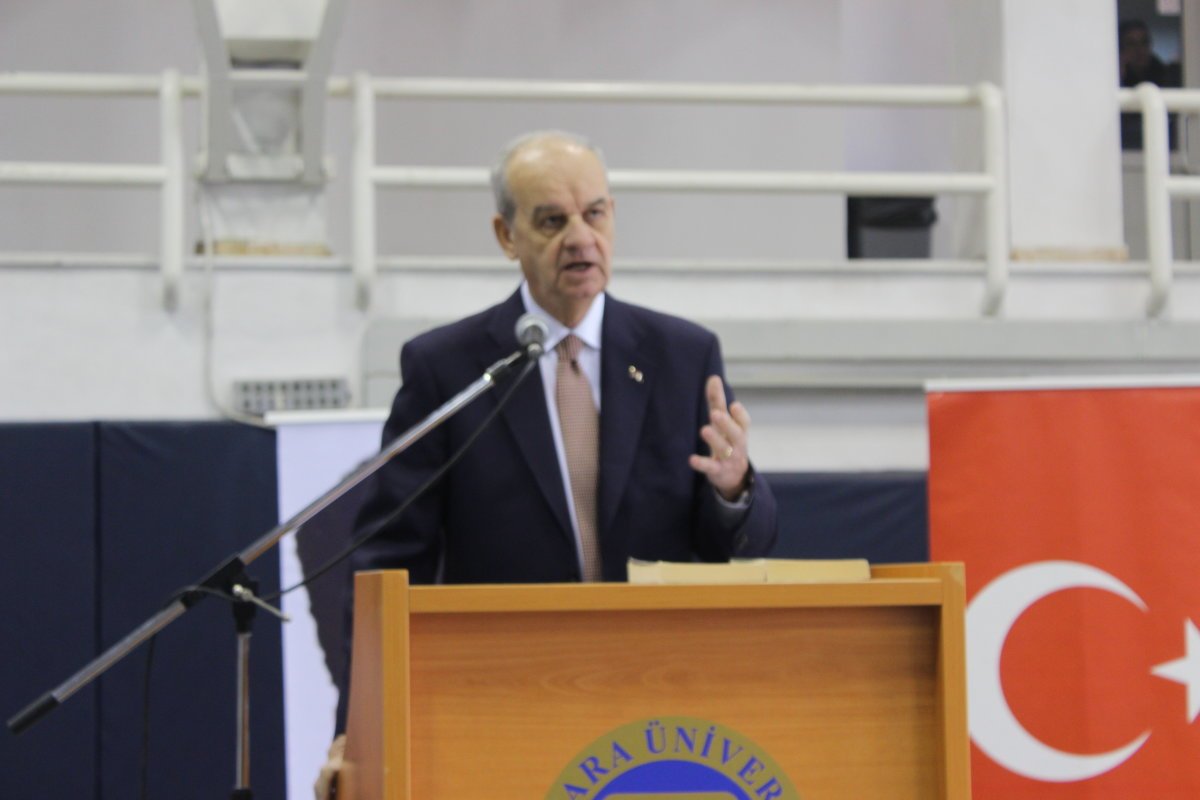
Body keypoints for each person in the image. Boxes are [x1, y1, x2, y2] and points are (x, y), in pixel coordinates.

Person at [314, 131, 778, 798]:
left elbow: (740, 545)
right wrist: (355, 736)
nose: (581, 239)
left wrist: (734, 489)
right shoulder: (448, 368)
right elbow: (386, 564)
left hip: (657, 702)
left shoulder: (682, 355)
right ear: (507, 236)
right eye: (552, 221)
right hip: (508, 697)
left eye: (595, 214)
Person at [1119, 19, 1182, 150]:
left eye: (1144, 42)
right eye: (1131, 44)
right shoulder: (1116, 79)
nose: (1139, 50)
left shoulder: (1167, 76)